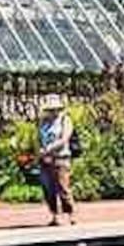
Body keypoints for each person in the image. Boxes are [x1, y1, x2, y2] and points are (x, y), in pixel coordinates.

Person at [38, 94, 76, 226]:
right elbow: (38, 138)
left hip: (61, 158)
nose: (53, 112)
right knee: (48, 188)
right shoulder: (43, 121)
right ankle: (55, 215)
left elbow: (64, 139)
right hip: (45, 159)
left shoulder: (65, 120)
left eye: (55, 109)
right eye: (50, 109)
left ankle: (70, 214)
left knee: (63, 187)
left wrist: (49, 149)